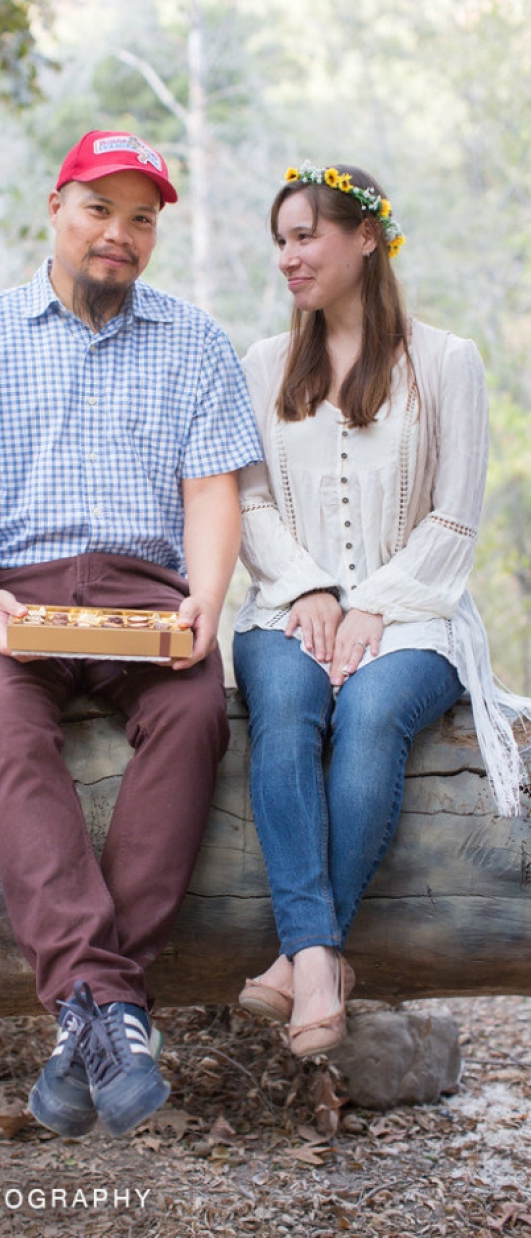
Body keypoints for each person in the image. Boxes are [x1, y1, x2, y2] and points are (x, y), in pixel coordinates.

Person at [0, 130, 261, 1137]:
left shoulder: (194, 340)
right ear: (56, 206)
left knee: (196, 715)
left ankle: (87, 1014)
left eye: (142, 219)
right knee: (12, 733)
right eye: (101, 209)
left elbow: (210, 492)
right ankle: (115, 1005)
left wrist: (206, 597)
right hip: (13, 594)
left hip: (147, 597)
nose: (121, 233)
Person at [232, 161, 530, 1060]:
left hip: (418, 614)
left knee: (365, 718)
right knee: (285, 714)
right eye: (278, 240)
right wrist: (315, 590)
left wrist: (371, 605)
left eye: (303, 235)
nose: (287, 257)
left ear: (365, 237)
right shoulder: (262, 364)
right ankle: (322, 965)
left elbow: (453, 517)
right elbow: (246, 503)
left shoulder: (446, 361)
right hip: (288, 604)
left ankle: (298, 960)